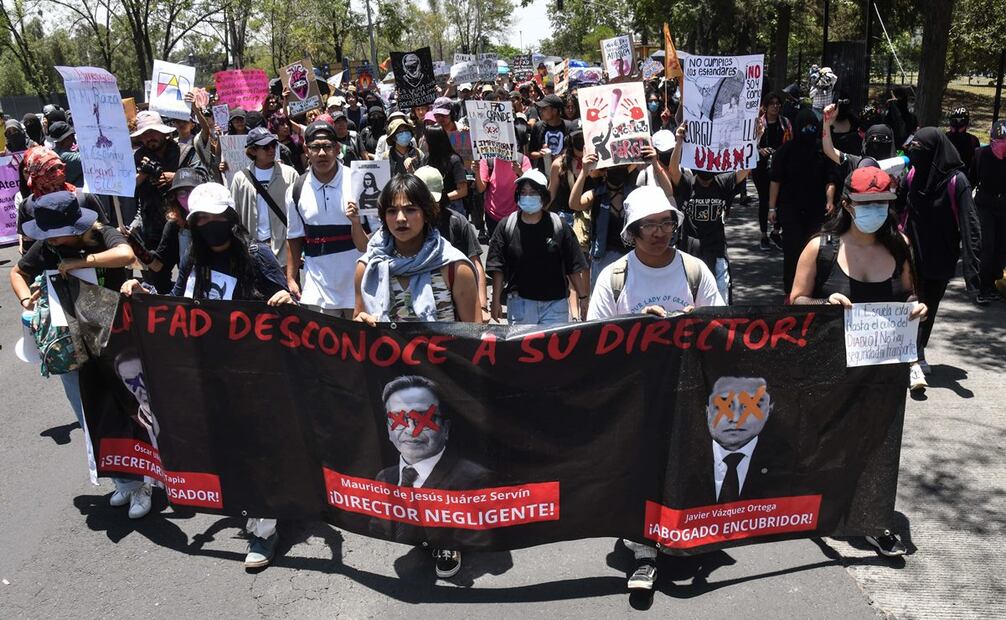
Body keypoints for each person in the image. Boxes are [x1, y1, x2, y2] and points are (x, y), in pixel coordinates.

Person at [121, 182, 293, 567]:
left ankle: (264, 532)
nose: (211, 225)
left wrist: (284, 300)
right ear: (193, 224)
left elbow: (287, 307)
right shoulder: (194, 262)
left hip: (254, 372)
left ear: (232, 218)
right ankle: (256, 500)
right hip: (209, 374)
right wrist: (144, 290)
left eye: (218, 217)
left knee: (255, 449)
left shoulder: (257, 256)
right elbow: (177, 304)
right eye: (202, 219)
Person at [586, 185, 722, 591]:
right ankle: (643, 551)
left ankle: (683, 533)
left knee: (683, 464)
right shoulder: (613, 277)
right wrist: (636, 328)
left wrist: (699, 321)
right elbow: (594, 340)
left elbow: (725, 327)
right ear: (631, 231)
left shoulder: (695, 270)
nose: (660, 232)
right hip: (635, 398)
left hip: (689, 393)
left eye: (666, 223)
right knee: (639, 471)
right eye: (649, 225)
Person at [790, 165, 926, 554]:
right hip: (829, 369)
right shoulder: (821, 248)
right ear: (848, 204)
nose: (875, 211)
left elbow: (908, 294)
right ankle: (821, 506)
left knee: (879, 445)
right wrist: (824, 303)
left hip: (882, 371)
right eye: (867, 204)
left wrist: (917, 307)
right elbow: (796, 300)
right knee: (830, 441)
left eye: (883, 203)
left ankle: (875, 518)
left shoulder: (899, 245)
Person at [9, 191, 145, 517]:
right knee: (87, 409)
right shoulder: (47, 247)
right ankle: (121, 482)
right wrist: (27, 300)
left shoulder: (102, 234)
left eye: (54, 233)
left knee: (126, 404)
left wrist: (83, 262)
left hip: (112, 333)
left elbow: (126, 255)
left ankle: (143, 481)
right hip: (69, 340)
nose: (48, 240)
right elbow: (18, 273)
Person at [372, 376, 490, 578]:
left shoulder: (472, 478)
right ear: (388, 430)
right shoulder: (385, 477)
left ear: (445, 428)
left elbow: (480, 531)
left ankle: (449, 545)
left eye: (423, 419)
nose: (410, 430)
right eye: (399, 419)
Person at [899, 128, 982, 382]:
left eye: (920, 150)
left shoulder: (958, 181)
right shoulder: (913, 175)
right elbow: (898, 205)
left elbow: (971, 227)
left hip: (940, 258)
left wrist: (973, 274)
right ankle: (906, 353)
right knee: (909, 304)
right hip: (912, 254)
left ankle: (918, 352)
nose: (915, 155)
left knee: (928, 307)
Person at [354, 173, 479, 324]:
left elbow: (475, 339)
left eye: (410, 209)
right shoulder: (368, 268)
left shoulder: (456, 268)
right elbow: (358, 325)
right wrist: (360, 322)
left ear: (426, 214)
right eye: (392, 211)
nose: (400, 218)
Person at [286, 121, 369, 317]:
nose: (322, 153)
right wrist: (291, 277)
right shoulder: (295, 190)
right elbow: (294, 236)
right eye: (315, 147)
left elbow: (375, 236)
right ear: (306, 150)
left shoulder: (359, 181)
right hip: (317, 290)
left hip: (358, 288)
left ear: (337, 148)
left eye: (327, 146)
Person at [668, 121, 757, 303]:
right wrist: (679, 142)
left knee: (721, 299)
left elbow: (745, 169)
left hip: (716, 251)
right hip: (691, 252)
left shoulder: (722, 183)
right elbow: (673, 170)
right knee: (690, 299)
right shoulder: (687, 183)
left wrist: (755, 139)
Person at [487, 169, 589, 325]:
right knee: (523, 349)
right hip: (520, 305)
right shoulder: (506, 226)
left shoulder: (559, 226)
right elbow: (497, 267)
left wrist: (583, 298)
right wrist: (495, 301)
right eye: (523, 192)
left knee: (554, 349)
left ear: (543, 195)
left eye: (533, 192)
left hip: (555, 306)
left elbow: (573, 265)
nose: (527, 196)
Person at [130, 110, 200, 293]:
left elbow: (202, 177)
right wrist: (143, 173)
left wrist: (176, 178)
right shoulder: (138, 157)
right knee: (157, 278)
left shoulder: (184, 151)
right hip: (152, 228)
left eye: (153, 132)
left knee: (191, 277)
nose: (149, 138)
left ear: (164, 132)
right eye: (144, 135)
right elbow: (127, 188)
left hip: (183, 225)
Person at [769, 108, 832, 297]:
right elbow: (775, 180)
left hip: (816, 210)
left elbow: (831, 178)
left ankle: (813, 292)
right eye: (804, 127)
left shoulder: (822, 150)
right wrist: (772, 208)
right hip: (790, 211)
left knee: (817, 253)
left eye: (812, 126)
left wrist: (830, 200)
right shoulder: (785, 151)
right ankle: (791, 293)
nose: (808, 130)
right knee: (792, 253)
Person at [414, 165, 490, 320]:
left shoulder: (457, 222)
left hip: (457, 307)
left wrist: (482, 305)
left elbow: (475, 264)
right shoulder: (408, 225)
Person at [230, 127, 298, 267]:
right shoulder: (240, 178)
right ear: (253, 150)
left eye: (273, 145)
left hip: (284, 251)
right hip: (252, 251)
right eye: (265, 147)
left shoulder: (290, 174)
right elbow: (234, 216)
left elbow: (298, 213)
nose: (271, 150)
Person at [972, 121, 1006, 302]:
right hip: (985, 205)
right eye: (1000, 140)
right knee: (987, 245)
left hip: (1003, 206)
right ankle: (982, 286)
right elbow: (971, 178)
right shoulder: (981, 155)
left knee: (1001, 247)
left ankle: (993, 281)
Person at [754, 93, 791, 251]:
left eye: (778, 103)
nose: (775, 106)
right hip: (761, 167)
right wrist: (759, 150)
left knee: (780, 199)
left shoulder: (785, 123)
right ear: (765, 107)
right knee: (764, 200)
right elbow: (749, 144)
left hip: (780, 166)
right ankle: (763, 234)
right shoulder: (757, 123)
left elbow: (791, 143)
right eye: (772, 104)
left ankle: (776, 232)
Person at [477, 149, 532, 237]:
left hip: (516, 215)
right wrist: (477, 172)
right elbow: (481, 189)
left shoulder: (522, 159)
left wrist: (520, 172)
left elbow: (531, 185)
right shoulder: (487, 159)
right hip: (492, 215)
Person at [421, 126, 468, 215]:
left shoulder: (454, 160)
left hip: (452, 208)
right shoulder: (426, 159)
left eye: (425, 139)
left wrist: (441, 199)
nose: (423, 142)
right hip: (432, 208)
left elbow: (462, 191)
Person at [529, 94, 575, 174]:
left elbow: (575, 152)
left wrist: (563, 155)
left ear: (554, 110)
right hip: (543, 174)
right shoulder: (538, 126)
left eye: (544, 108)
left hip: (563, 174)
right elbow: (530, 153)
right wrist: (541, 154)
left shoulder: (569, 126)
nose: (541, 111)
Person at [946, 107, 981, 181]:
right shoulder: (944, 138)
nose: (957, 127)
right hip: (945, 176)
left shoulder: (973, 141)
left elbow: (975, 166)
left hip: (964, 179)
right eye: (954, 123)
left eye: (960, 124)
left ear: (966, 125)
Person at [46, 121, 83, 187]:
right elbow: (87, 159)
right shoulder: (64, 156)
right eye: (71, 136)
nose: (73, 138)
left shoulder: (55, 152)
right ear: (64, 139)